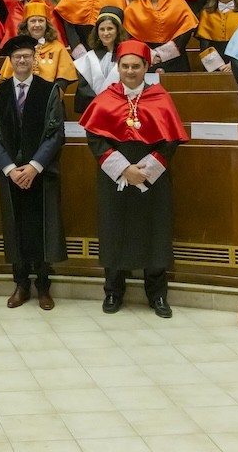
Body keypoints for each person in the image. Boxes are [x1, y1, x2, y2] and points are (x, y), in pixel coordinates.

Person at [79, 40, 188, 319]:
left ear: (145, 68)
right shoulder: (105, 98)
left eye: (135, 66)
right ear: (118, 67)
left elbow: (170, 141)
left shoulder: (160, 97)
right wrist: (123, 169)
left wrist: (146, 170)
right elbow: (95, 139)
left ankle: (158, 294)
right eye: (125, 66)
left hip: (153, 177)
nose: (130, 71)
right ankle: (113, 291)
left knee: (155, 231)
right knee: (114, 229)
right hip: (114, 176)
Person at [0, 36, 67, 310]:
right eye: (17, 57)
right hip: (11, 176)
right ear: (9, 62)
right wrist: (10, 169)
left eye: (26, 56)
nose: (22, 61)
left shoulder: (49, 90)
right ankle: (21, 284)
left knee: (41, 229)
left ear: (35, 60)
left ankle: (43, 286)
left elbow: (55, 133)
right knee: (16, 228)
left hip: (40, 174)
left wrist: (34, 166)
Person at [73, 6, 131, 114]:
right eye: (102, 29)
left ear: (118, 30)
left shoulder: (127, 57)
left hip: (120, 111)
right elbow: (84, 90)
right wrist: (99, 105)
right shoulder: (89, 58)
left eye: (110, 29)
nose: (105, 33)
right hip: (94, 112)